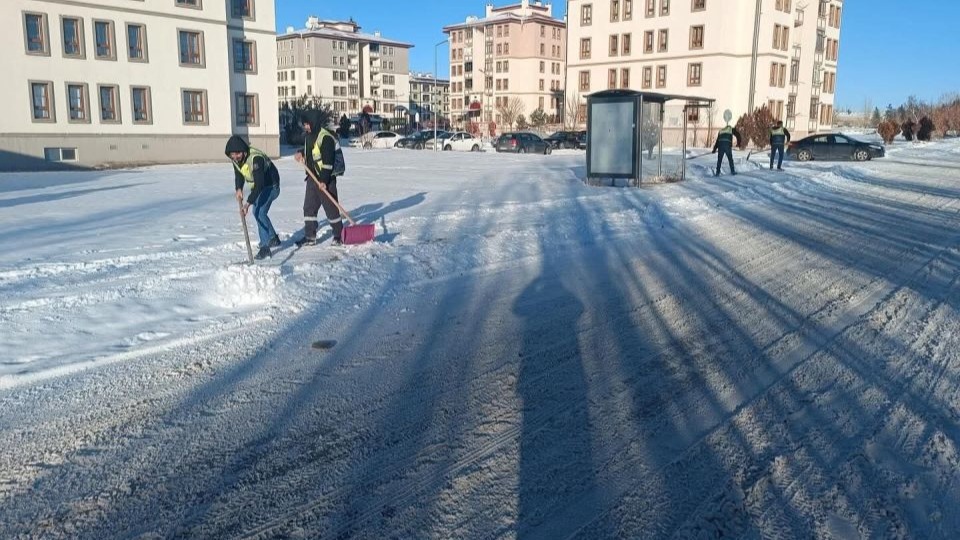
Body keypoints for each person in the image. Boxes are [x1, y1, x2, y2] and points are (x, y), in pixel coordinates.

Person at [225, 136, 280, 260]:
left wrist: (248, 203)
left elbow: (259, 184)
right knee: (259, 212)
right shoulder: (236, 160)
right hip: (258, 187)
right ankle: (273, 238)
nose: (235, 157)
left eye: (238, 154)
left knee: (259, 212)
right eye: (232, 155)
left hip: (271, 186)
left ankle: (265, 247)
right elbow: (239, 174)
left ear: (244, 151)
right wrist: (238, 188)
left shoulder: (256, 159)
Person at [295, 110, 343, 246]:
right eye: (304, 125)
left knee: (331, 208)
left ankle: (338, 235)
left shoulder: (325, 138)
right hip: (312, 176)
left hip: (326, 178)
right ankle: (310, 236)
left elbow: (328, 162)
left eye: (307, 124)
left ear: (314, 123)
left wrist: (323, 180)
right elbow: (309, 152)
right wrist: (300, 153)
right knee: (308, 207)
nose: (306, 127)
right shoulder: (309, 136)